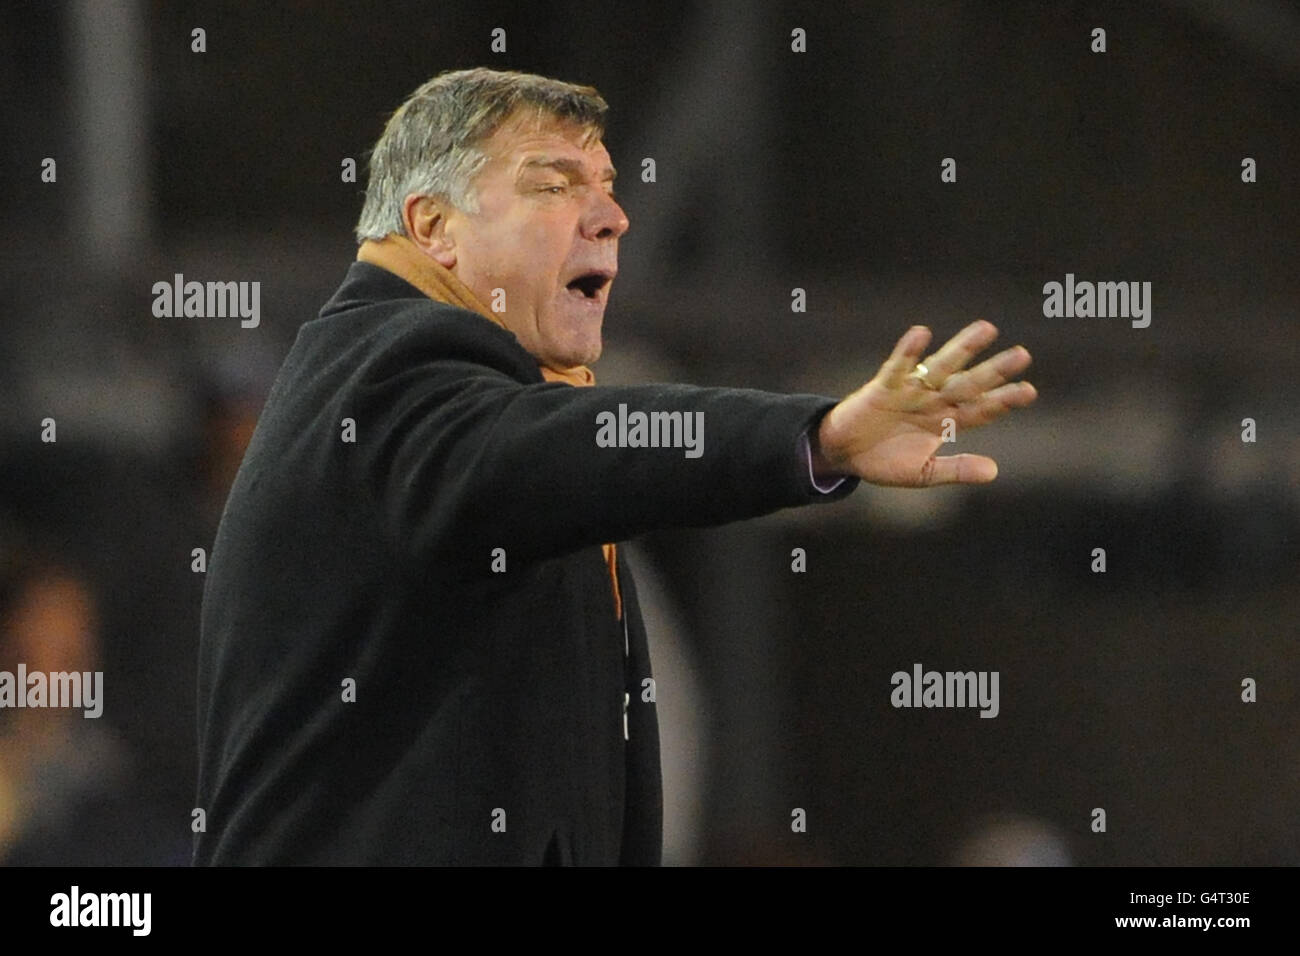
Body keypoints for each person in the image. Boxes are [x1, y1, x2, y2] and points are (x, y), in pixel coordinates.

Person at [193, 67, 1036, 866]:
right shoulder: (385, 374)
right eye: (553, 185)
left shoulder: (474, 400)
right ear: (433, 228)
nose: (611, 215)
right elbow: (577, 445)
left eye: (605, 186)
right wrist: (814, 440)